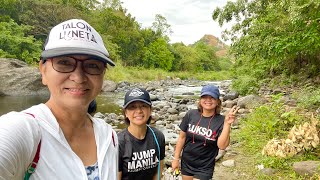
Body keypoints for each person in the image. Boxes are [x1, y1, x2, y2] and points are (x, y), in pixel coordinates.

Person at [0, 19, 118, 180]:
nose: (78, 77)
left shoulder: (108, 135)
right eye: (64, 63)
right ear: (43, 70)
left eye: (92, 65)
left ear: (103, 74)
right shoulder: (22, 130)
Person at [171, 85, 239, 180]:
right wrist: (176, 159)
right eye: (205, 97)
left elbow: (222, 146)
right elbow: (182, 137)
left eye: (212, 97)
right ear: (200, 100)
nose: (208, 100)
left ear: (218, 101)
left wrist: (227, 124)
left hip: (205, 166)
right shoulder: (191, 114)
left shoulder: (221, 120)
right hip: (187, 162)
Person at [118, 88, 165, 180]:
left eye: (143, 106)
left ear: (150, 110)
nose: (139, 111)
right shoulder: (119, 142)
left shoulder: (158, 136)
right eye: (132, 107)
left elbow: (158, 172)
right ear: (126, 113)